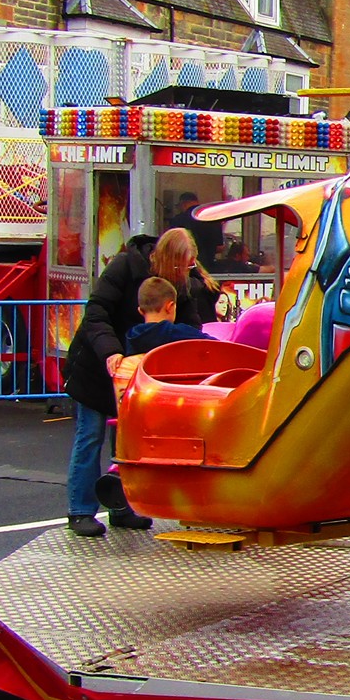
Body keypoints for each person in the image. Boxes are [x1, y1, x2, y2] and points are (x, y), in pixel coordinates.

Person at [62, 228, 220, 536]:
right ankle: (80, 510)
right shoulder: (124, 266)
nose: (187, 271)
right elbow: (96, 313)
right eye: (184, 265)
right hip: (96, 367)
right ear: (170, 259)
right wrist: (111, 352)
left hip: (136, 373)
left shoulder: (182, 285)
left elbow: (190, 326)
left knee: (127, 441)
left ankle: (121, 507)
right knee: (90, 435)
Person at [125, 276, 208, 355]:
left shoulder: (132, 336)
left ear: (140, 311)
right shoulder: (179, 331)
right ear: (170, 307)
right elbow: (214, 344)